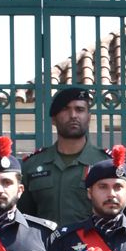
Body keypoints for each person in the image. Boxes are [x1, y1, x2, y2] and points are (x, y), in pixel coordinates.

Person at [19, 87, 102, 225]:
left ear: (89, 117)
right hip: (44, 239)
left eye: (80, 109)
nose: (73, 115)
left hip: (91, 239)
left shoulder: (104, 163)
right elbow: (23, 217)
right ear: (53, 119)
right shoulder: (32, 165)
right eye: (65, 109)